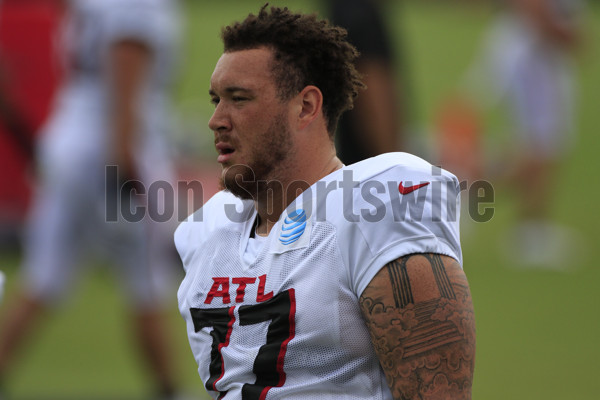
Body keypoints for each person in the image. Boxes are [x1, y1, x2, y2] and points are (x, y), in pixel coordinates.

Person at [176, 5, 476, 399]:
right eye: (216, 99)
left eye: (239, 99)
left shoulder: (376, 207)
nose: (217, 119)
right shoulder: (206, 233)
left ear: (305, 107)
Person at [0, 0, 182, 398]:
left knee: (42, 277)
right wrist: (122, 165)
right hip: (112, 151)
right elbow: (124, 75)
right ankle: (171, 390)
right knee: (148, 281)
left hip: (66, 145)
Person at [326, 0, 404, 164]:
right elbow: (374, 93)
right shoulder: (358, 11)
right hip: (370, 171)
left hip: (349, 163)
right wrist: (394, 167)